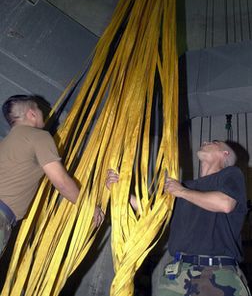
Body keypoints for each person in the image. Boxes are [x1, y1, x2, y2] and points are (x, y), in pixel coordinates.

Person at [106, 140, 251, 296]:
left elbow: (225, 204)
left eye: (214, 142)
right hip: (177, 275)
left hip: (218, 273)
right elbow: (152, 211)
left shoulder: (230, 174)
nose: (204, 141)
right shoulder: (185, 186)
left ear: (225, 154)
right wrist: (118, 189)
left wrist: (181, 191)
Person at [0, 94, 104, 259]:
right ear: (32, 114)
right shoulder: (38, 136)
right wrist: (89, 207)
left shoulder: (5, 144)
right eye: (39, 110)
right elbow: (61, 182)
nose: (44, 114)